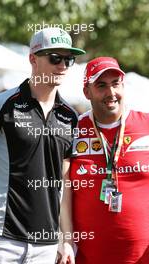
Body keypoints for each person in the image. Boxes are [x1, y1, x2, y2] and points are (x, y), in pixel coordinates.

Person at [0, 27, 85, 264]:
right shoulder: (2, 104)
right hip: (0, 240)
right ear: (33, 59)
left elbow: (64, 183)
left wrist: (66, 239)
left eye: (69, 59)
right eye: (55, 57)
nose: (63, 65)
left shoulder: (69, 116)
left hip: (46, 244)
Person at [70, 57, 149, 264]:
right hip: (88, 258)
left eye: (116, 84)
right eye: (101, 86)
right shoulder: (71, 131)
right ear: (87, 92)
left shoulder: (146, 125)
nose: (111, 93)